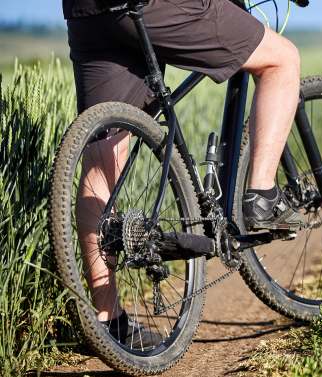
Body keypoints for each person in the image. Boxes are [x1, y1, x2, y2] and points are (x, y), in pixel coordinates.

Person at [63, 0, 304, 346]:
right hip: (152, 5)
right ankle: (263, 196)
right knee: (282, 60)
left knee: (105, 152)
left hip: (87, 10)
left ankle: (107, 320)